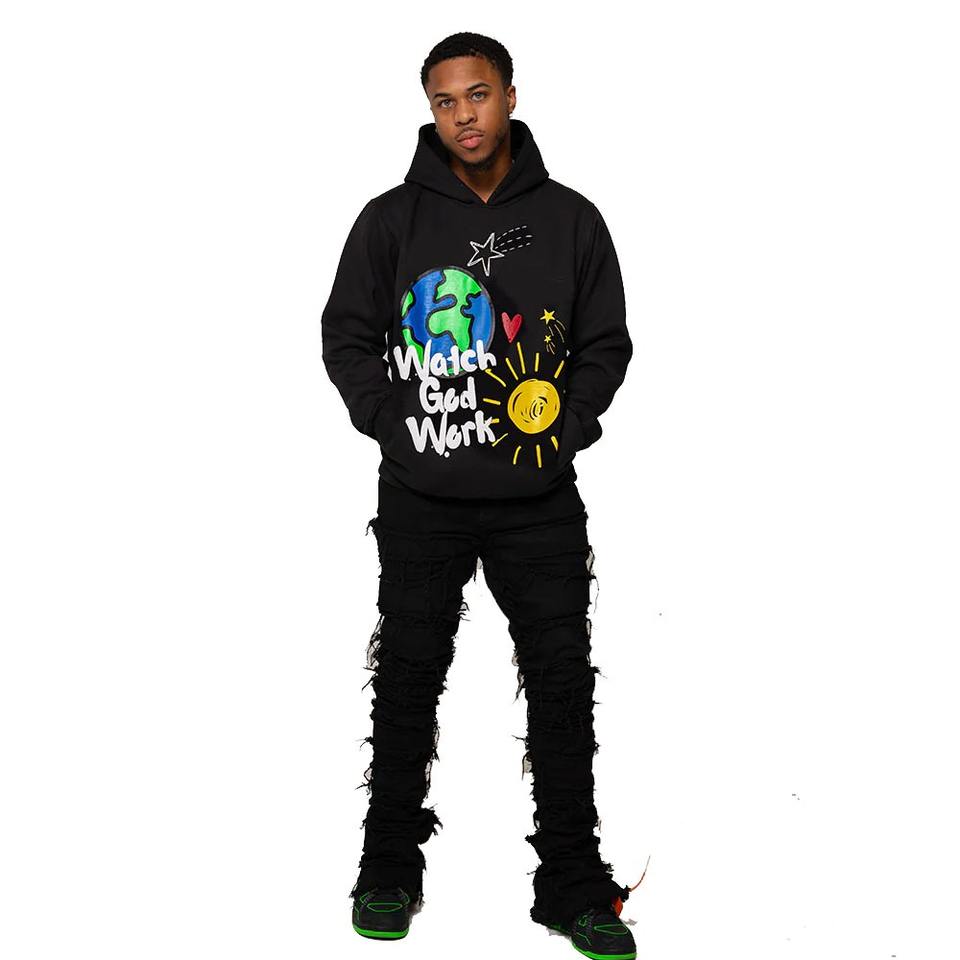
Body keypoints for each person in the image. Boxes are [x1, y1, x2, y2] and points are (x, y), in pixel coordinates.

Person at [321, 31, 641, 957]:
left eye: (479, 94)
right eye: (445, 101)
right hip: (421, 494)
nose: (464, 114)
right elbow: (346, 336)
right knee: (407, 677)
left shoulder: (572, 219)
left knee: (562, 684)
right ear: (432, 111)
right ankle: (387, 867)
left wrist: (564, 428)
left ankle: (573, 884)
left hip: (539, 500)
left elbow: (606, 343)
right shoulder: (390, 221)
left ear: (509, 95)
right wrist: (391, 424)